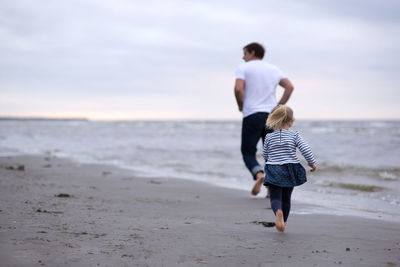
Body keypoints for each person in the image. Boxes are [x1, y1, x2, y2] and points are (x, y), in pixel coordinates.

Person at [234, 42, 294, 196]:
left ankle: (259, 175)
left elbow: (238, 88)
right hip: (272, 117)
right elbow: (289, 87)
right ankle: (271, 188)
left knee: (248, 152)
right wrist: (279, 106)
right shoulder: (274, 69)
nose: (243, 57)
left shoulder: (244, 68)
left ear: (252, 53)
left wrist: (241, 105)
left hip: (252, 115)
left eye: (245, 53)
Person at [262, 105, 316, 232]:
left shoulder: (269, 137)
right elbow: (305, 149)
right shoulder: (294, 136)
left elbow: (265, 154)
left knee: (275, 198)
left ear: (273, 120)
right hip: (290, 169)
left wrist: (269, 162)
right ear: (291, 122)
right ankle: (283, 222)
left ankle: (278, 213)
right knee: (286, 198)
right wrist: (311, 163)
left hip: (274, 169)